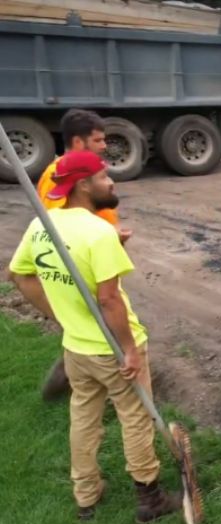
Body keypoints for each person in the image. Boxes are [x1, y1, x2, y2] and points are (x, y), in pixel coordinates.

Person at [7, 150, 181, 524]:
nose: (111, 180)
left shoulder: (43, 225)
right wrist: (130, 351)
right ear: (83, 185)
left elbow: (19, 275)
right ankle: (149, 498)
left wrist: (61, 315)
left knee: (83, 417)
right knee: (135, 417)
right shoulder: (98, 232)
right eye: (104, 176)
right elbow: (108, 298)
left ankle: (86, 496)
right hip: (112, 348)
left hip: (76, 348)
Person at [38, 109, 131, 401]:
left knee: (93, 332)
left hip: (99, 260)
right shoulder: (58, 178)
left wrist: (113, 238)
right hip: (88, 269)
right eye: (98, 140)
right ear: (78, 142)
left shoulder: (78, 171)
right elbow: (63, 235)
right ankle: (111, 391)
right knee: (105, 331)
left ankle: (76, 382)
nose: (104, 145)